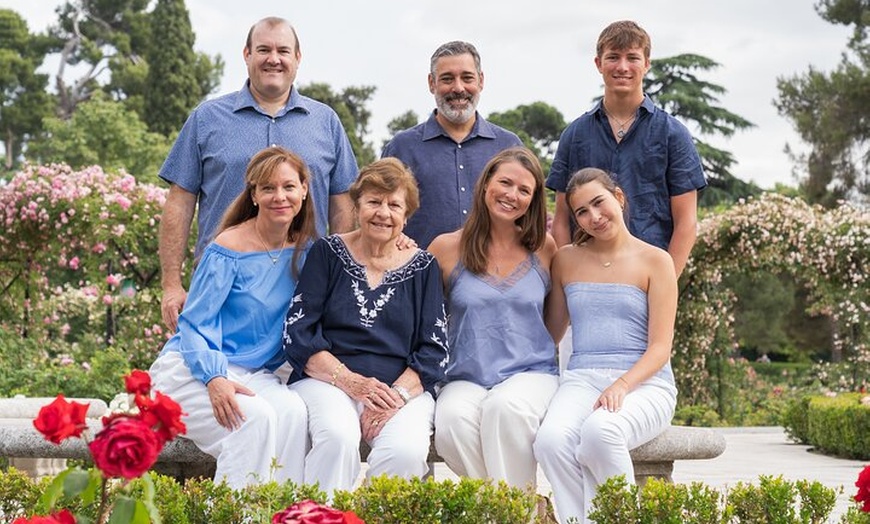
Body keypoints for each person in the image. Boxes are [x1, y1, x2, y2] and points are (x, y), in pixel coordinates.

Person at [159, 16, 359, 331]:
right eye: (264, 50)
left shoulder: (326, 122)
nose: (273, 59)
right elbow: (179, 202)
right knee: (209, 361)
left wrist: (339, 275)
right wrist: (171, 284)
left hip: (307, 289)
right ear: (247, 54)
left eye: (283, 51)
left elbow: (343, 205)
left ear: (298, 58)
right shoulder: (206, 118)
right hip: (222, 291)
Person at [149, 146, 316, 490]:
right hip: (194, 368)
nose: (279, 196)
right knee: (252, 419)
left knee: (293, 414)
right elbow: (194, 324)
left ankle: (280, 511)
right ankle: (233, 513)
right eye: (268, 188)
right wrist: (214, 377)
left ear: (304, 190)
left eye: (288, 186)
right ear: (253, 195)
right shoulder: (229, 248)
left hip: (254, 373)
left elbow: (356, 250)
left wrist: (400, 240)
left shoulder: (305, 252)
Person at [281, 158, 449, 496]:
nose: (383, 213)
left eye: (394, 205)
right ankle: (321, 516)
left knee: (405, 452)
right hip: (328, 381)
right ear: (357, 206)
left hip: (400, 389)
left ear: (406, 216)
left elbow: (434, 350)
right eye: (374, 201)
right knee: (337, 437)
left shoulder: (424, 267)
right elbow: (298, 333)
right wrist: (352, 383)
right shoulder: (328, 253)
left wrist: (395, 396)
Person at [533, 168, 679, 524]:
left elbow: (661, 348)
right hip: (582, 379)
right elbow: (551, 332)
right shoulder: (566, 259)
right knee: (550, 441)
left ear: (619, 197)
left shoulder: (657, 260)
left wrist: (622, 384)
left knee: (601, 432)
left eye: (599, 203)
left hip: (646, 383)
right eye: (582, 212)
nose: (594, 217)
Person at [428, 147, 558, 490]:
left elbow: (554, 322)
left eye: (524, 190)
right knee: (452, 423)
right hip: (464, 375)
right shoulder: (445, 248)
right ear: (486, 183)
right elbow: (422, 318)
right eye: (505, 183)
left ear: (533, 200)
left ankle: (504, 510)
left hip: (531, 373)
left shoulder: (545, 248)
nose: (512, 195)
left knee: (505, 408)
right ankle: (517, 505)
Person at [546, 20, 706, 278]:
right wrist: (569, 281)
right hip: (586, 278)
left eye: (632, 57)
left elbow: (686, 223)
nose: (622, 67)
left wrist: (665, 284)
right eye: (613, 57)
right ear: (598, 64)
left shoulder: (673, 134)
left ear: (647, 63)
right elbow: (562, 220)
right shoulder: (574, 135)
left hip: (647, 279)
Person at [381, 40, 522, 248]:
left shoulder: (509, 147)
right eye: (447, 79)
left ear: (481, 81)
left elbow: (527, 216)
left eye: (467, 78)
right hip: (421, 267)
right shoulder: (402, 147)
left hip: (496, 268)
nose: (458, 88)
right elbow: (381, 216)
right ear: (432, 83)